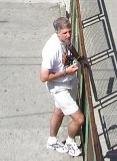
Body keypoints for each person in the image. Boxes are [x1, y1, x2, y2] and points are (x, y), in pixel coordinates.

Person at [40, 17, 87, 156]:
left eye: (70, 32)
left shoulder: (64, 39)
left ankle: (52, 140)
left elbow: (70, 46)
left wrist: (79, 58)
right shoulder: (51, 49)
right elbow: (43, 77)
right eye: (65, 33)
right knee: (79, 119)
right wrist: (66, 72)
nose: (68, 35)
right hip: (59, 88)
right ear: (57, 32)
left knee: (59, 111)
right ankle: (70, 142)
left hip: (68, 82)